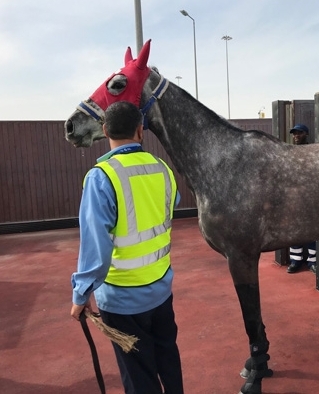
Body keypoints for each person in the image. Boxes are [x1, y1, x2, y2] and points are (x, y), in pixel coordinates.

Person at [70, 101, 184, 394]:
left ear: (105, 130)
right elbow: (173, 204)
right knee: (168, 361)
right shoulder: (162, 169)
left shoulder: (101, 177)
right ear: (140, 130)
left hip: (121, 300)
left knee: (138, 376)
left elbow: (95, 243)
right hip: (160, 289)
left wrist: (81, 293)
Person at [286, 123, 317, 274]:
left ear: (306, 134)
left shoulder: (313, 151)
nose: (296, 136)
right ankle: (295, 261)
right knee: (294, 230)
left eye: (299, 133)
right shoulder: (289, 152)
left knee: (312, 229)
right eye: (294, 133)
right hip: (294, 197)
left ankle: (312, 261)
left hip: (310, 196)